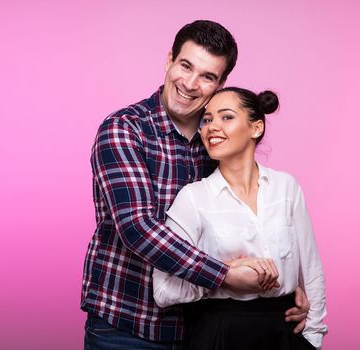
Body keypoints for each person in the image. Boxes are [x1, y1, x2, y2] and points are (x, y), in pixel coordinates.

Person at [81, 20, 310, 350]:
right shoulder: (125, 130)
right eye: (185, 66)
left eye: (207, 76)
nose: (190, 83)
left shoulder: (219, 140)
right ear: (169, 60)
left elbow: (252, 217)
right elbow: (137, 228)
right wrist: (224, 274)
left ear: (221, 83)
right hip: (128, 325)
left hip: (203, 327)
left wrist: (285, 288)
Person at [153, 87, 328, 349]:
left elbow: (311, 269)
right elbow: (163, 291)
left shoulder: (286, 187)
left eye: (226, 117)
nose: (212, 127)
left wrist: (313, 337)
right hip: (219, 333)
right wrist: (224, 273)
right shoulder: (193, 197)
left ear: (256, 128)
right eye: (207, 119)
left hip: (284, 331)